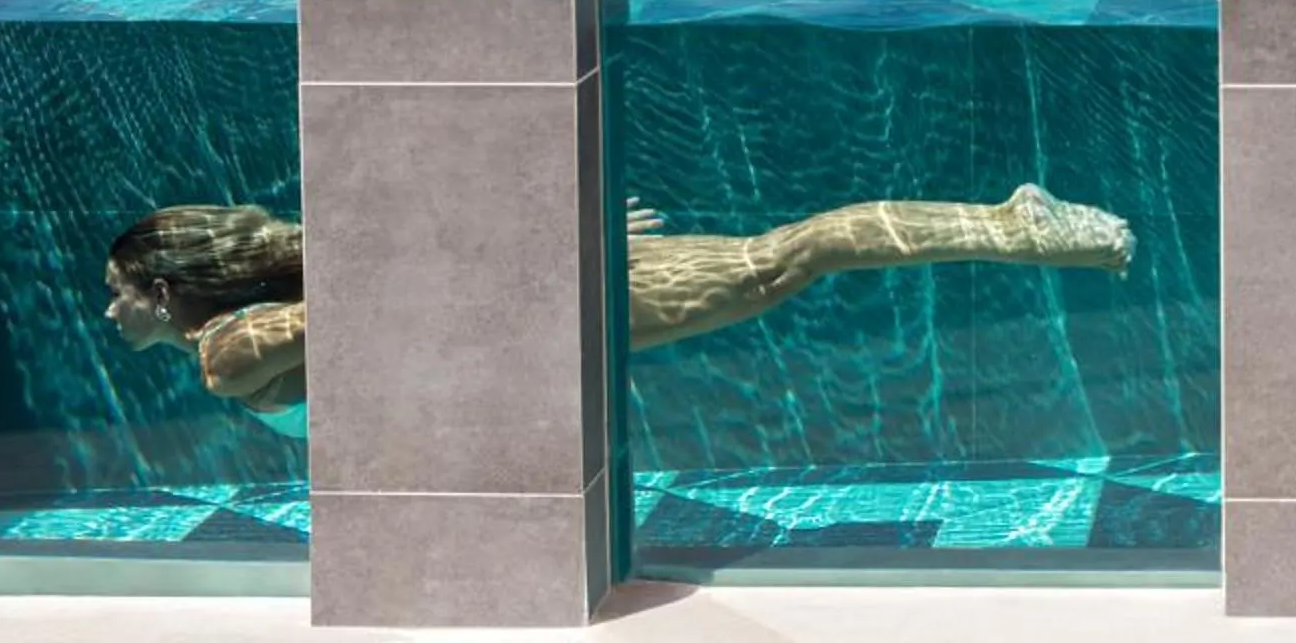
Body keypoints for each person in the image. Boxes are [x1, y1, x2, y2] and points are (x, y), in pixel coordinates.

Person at [101, 185, 1135, 437]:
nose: (106, 308)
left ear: (163, 286)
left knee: (793, 255)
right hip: (540, 303)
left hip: (547, 307)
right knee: (789, 257)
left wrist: (564, 243)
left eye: (118, 287)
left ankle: (1014, 224)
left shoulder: (226, 352)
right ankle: (1009, 219)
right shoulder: (252, 325)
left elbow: (384, 293)